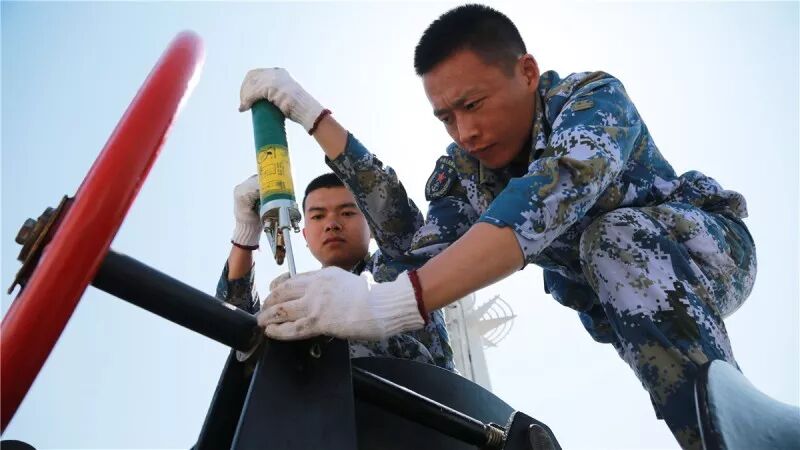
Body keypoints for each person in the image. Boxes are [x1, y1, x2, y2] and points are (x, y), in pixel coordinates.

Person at [238, 4, 756, 448]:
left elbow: (553, 192)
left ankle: (728, 430)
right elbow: (412, 246)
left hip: (702, 250)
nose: (465, 131)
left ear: (526, 72)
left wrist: (382, 306)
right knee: (602, 261)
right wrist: (315, 119)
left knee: (611, 239)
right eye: (446, 117)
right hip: (616, 299)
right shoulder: (464, 173)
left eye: (473, 105)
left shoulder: (590, 100)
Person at [216, 172, 454, 370]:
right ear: (305, 235)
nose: (332, 224)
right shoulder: (302, 296)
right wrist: (245, 234)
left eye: (347, 213)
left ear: (372, 227)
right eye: (318, 216)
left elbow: (397, 216)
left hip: (416, 400)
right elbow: (238, 328)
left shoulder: (402, 261)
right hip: (319, 408)